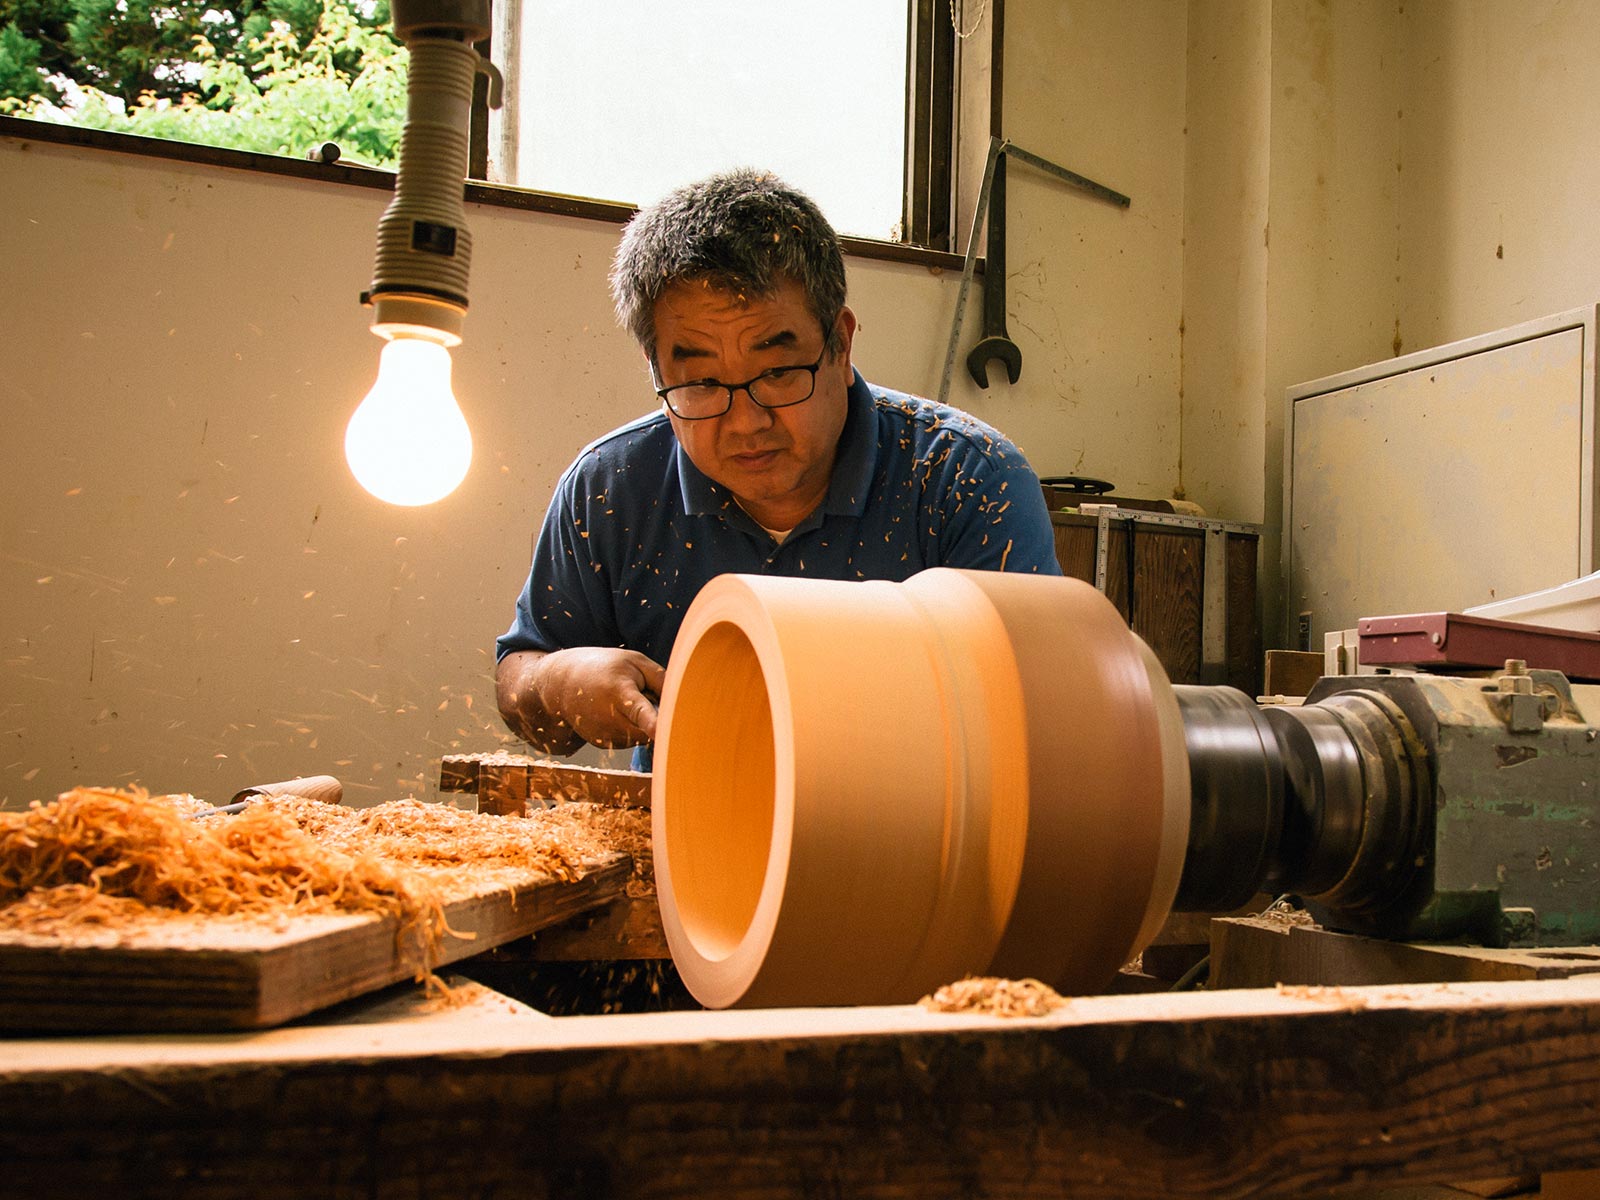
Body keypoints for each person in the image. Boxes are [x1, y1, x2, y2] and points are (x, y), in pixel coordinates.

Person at [495, 168, 1061, 765]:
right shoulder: (610, 491)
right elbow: (522, 680)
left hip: (910, 843)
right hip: (685, 839)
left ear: (840, 344)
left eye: (777, 373)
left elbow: (1038, 726)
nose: (745, 422)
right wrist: (555, 682)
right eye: (701, 382)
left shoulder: (969, 482)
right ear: (655, 367)